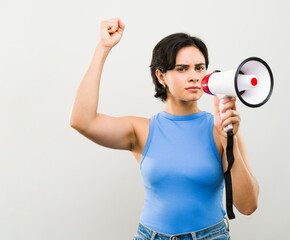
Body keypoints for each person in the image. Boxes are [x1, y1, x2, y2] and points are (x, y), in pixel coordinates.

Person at [70, 18, 259, 240]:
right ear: (161, 76)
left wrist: (229, 140)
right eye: (182, 69)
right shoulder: (140, 130)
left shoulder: (221, 130)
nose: (194, 76)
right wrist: (103, 48)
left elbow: (248, 206)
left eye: (200, 68)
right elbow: (81, 121)